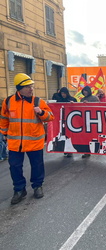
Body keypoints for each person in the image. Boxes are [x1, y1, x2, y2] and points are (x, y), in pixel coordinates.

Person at [0, 73, 54, 204]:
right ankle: (19, 190)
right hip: (14, 143)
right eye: (27, 86)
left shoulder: (38, 101)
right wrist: (4, 136)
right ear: (19, 88)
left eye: (31, 86)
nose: (31, 89)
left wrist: (41, 113)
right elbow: (4, 120)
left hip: (34, 142)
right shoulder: (8, 101)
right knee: (14, 167)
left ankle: (37, 186)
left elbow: (51, 117)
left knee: (37, 165)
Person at [57, 87, 77, 157]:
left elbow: (78, 108)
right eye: (62, 93)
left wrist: (73, 104)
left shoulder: (72, 99)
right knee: (63, 134)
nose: (63, 95)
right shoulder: (59, 100)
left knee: (69, 135)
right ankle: (65, 149)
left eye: (64, 93)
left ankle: (69, 150)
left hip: (70, 120)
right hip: (62, 120)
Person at [81, 86, 99, 158]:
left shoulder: (94, 98)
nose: (85, 92)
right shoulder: (82, 99)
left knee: (94, 136)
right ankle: (86, 151)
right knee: (85, 137)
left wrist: (89, 104)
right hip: (85, 120)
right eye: (84, 91)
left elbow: (99, 107)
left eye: (86, 91)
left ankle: (97, 149)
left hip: (94, 120)